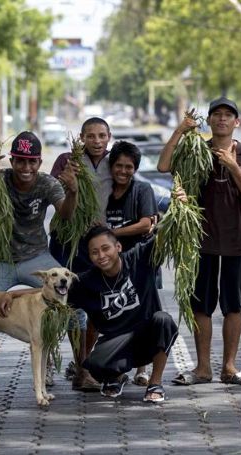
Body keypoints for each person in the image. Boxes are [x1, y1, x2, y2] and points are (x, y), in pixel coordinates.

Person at [0, 225, 178, 403]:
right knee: (95, 365)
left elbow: (165, 238)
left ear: (118, 247)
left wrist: (177, 210)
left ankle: (155, 383)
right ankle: (115, 377)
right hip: (116, 342)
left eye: (105, 248)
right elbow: (47, 290)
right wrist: (12, 294)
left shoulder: (139, 258)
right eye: (94, 252)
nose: (101, 256)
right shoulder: (86, 281)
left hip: (147, 336)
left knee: (163, 320)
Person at [158, 96, 241, 386]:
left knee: (235, 307)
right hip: (200, 242)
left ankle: (229, 367)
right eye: (217, 114)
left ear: (236, 122)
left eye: (228, 115)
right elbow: (164, 165)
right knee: (201, 307)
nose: (222, 119)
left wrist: (232, 166)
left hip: (237, 243)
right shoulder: (196, 150)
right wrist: (180, 131)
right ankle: (203, 369)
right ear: (210, 121)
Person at [0, 131, 81, 393]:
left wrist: (73, 191)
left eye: (32, 161)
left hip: (35, 256)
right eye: (20, 161)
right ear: (12, 160)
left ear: (40, 162)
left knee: (69, 304)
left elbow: (65, 213)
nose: (26, 167)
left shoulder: (46, 183)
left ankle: (72, 367)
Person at [49, 117, 113, 390]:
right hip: (66, 242)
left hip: (95, 245)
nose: (96, 141)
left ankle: (82, 365)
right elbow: (51, 191)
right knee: (61, 306)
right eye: (90, 136)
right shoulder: (67, 160)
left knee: (91, 307)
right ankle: (53, 364)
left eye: (101, 135)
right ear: (81, 138)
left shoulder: (114, 161)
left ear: (109, 137)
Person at [105, 140, 160, 386]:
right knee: (116, 317)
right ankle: (117, 367)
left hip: (140, 263)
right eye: (119, 166)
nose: (124, 171)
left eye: (129, 167)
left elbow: (146, 224)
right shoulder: (103, 191)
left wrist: (113, 234)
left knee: (142, 317)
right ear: (111, 166)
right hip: (110, 267)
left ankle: (141, 369)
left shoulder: (142, 190)